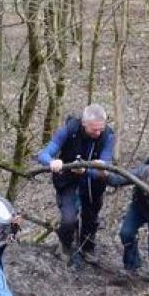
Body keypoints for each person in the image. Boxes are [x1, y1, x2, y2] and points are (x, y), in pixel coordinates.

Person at [36, 103, 116, 269]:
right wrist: (53, 162)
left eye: (101, 128)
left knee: (91, 217)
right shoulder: (69, 131)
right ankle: (65, 247)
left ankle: (88, 248)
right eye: (94, 129)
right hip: (68, 180)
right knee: (69, 219)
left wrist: (88, 169)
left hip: (93, 183)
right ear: (83, 124)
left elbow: (105, 169)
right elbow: (43, 154)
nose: (98, 133)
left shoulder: (107, 136)